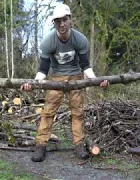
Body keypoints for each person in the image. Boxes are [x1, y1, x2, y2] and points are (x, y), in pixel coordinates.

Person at [21, 3, 109, 162]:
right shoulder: (48, 42)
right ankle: (40, 145)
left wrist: (96, 81)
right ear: (54, 23)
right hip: (55, 78)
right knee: (48, 111)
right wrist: (32, 84)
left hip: (76, 77)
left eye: (65, 20)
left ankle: (79, 144)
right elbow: (43, 69)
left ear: (70, 20)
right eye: (58, 21)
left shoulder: (80, 39)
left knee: (78, 112)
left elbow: (85, 66)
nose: (62, 24)